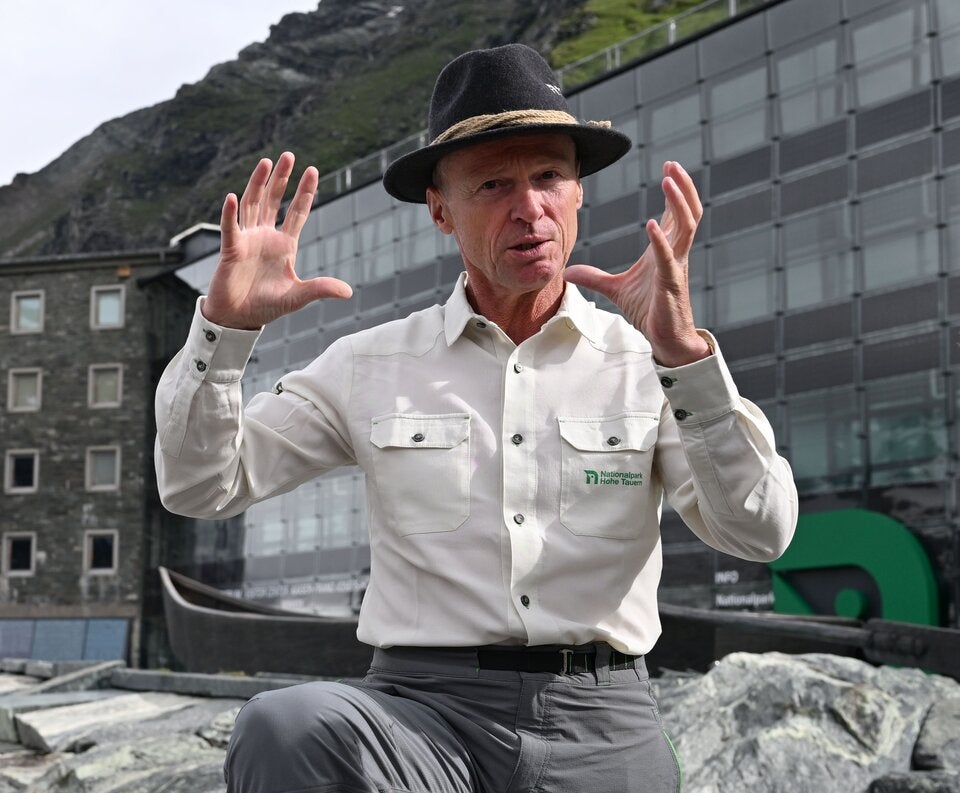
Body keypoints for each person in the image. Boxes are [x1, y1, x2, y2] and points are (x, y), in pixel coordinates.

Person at [155, 43, 797, 793]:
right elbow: (198, 485)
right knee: (284, 727)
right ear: (440, 209)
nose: (530, 208)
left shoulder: (650, 363)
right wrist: (223, 330)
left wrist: (686, 355)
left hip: (604, 719)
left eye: (550, 177)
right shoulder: (370, 362)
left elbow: (761, 530)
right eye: (494, 183)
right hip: (420, 715)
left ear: (580, 193)